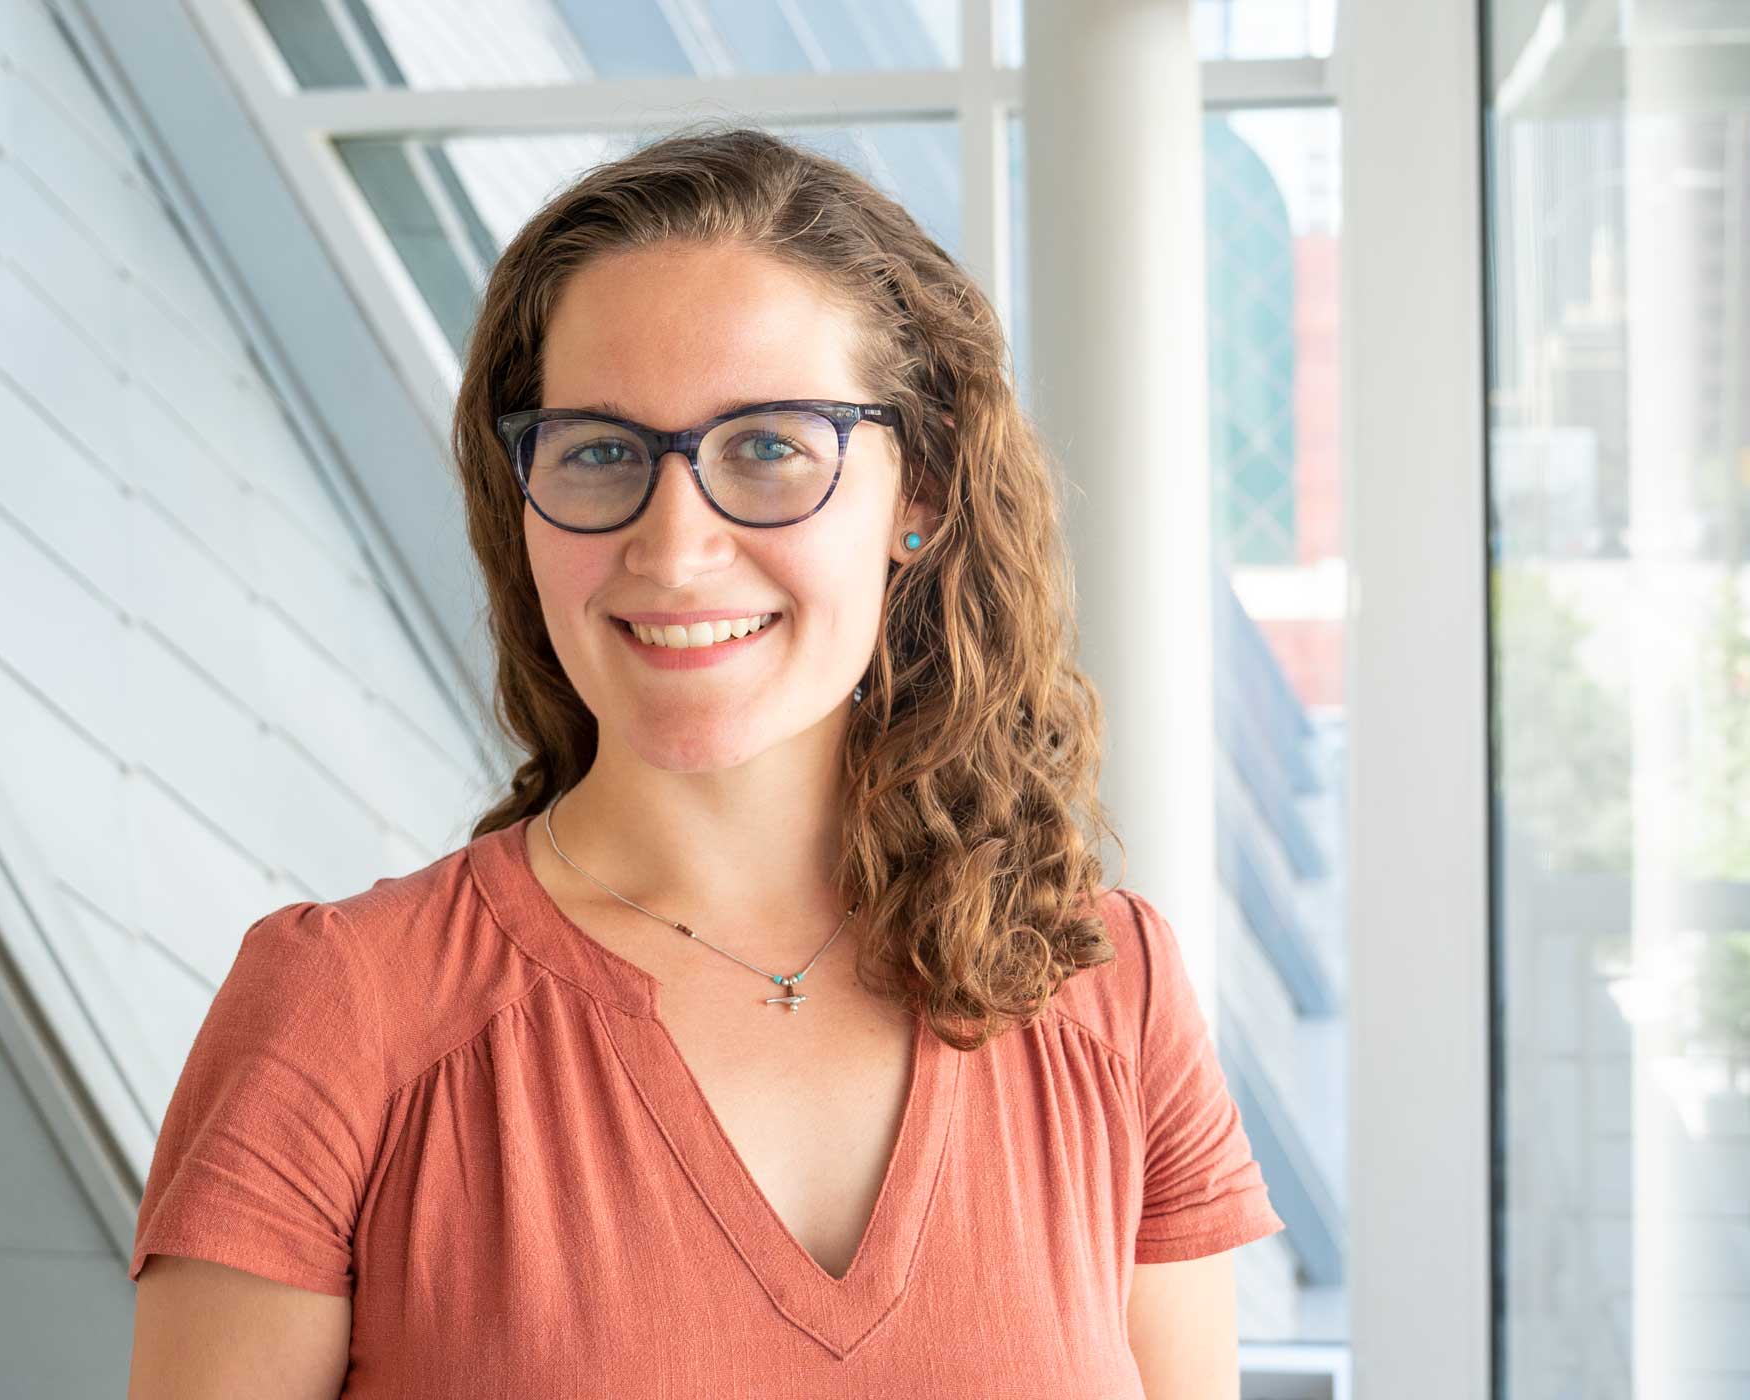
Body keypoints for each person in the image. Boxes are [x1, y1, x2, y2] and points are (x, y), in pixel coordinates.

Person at [124, 123, 1283, 1398]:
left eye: (771, 447)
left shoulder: (1111, 997)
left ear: (923, 492)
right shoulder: (341, 1007)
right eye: (600, 450)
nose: (674, 549)